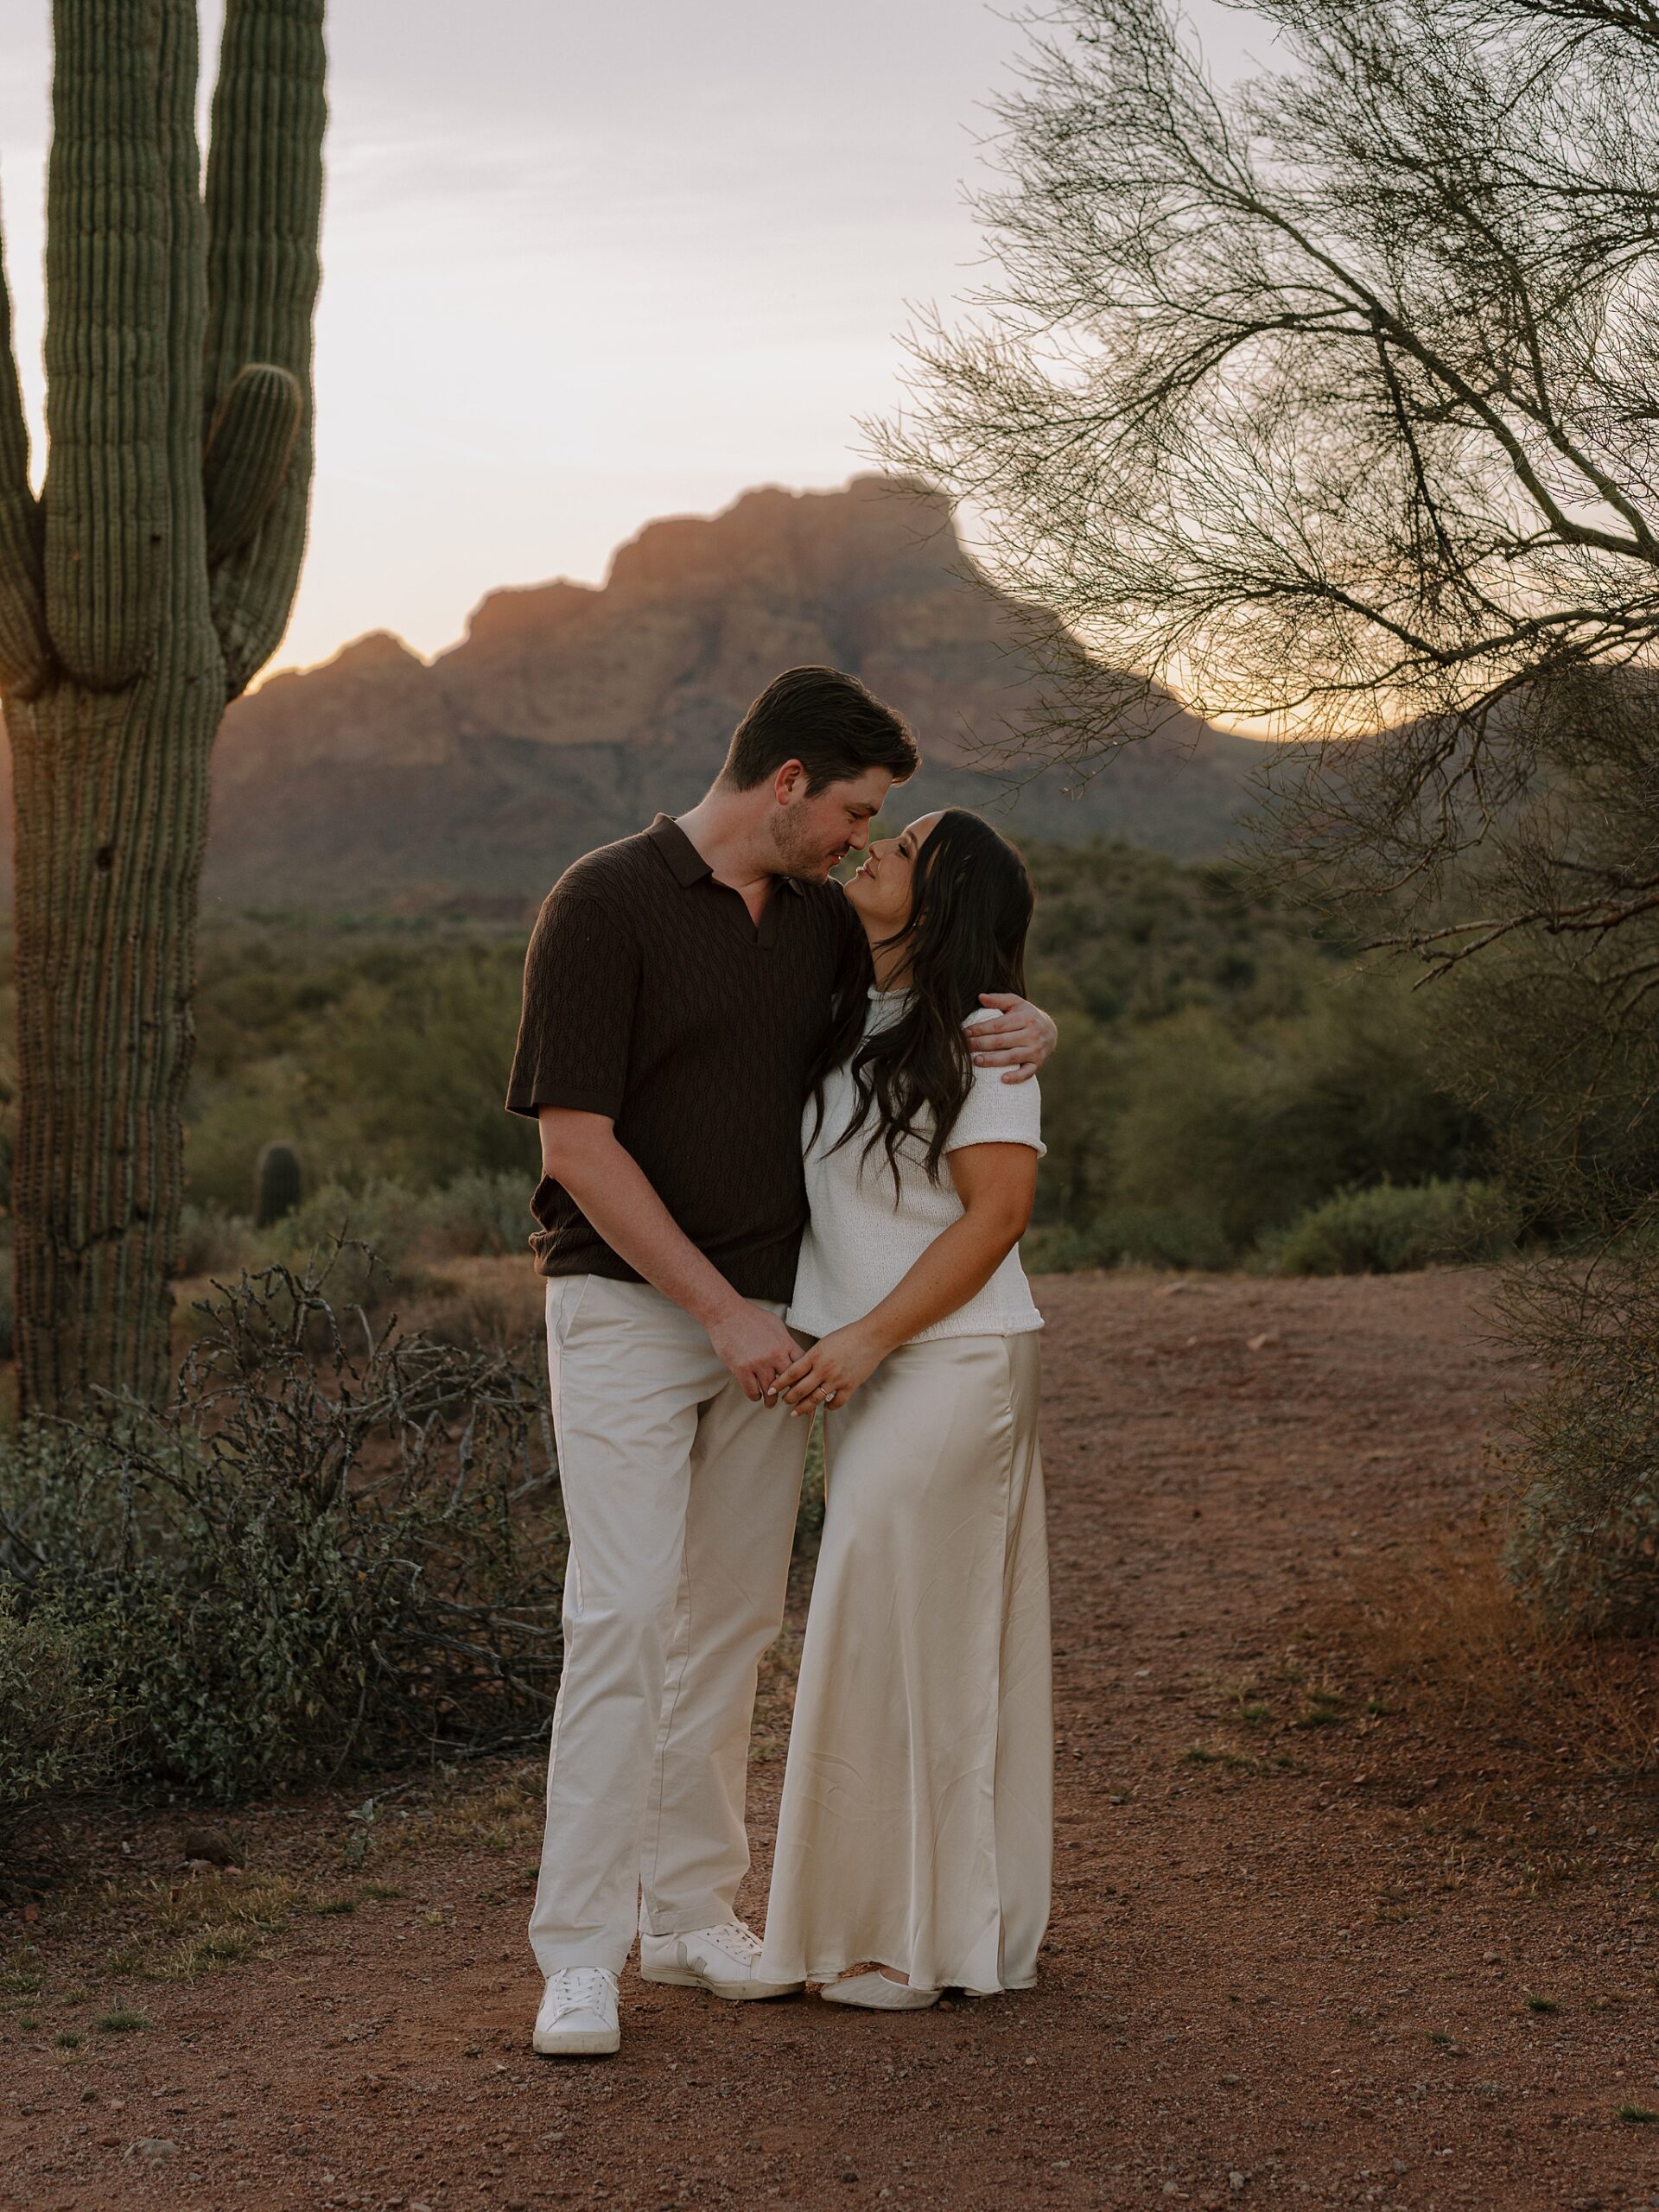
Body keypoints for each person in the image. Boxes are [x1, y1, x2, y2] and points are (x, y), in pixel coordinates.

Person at [505, 668, 1057, 2056]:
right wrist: (718, 1311)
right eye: (858, 810)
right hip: (634, 1311)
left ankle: (687, 1920)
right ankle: (576, 1955)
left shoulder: (821, 921)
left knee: (732, 1624)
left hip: (772, 1329)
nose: (866, 840)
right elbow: (578, 1146)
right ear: (790, 783)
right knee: (621, 1619)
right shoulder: (603, 901)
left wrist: (1036, 1027)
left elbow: (925, 1012)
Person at [758, 806, 1051, 2008]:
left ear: (942, 900)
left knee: (909, 1636)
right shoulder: (843, 998)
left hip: (952, 1361)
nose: (874, 845)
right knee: (884, 1631)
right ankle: (910, 1927)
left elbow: (998, 1216)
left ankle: (929, 1946)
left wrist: (870, 1338)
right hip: (877, 1366)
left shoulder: (986, 1037)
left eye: (908, 845)